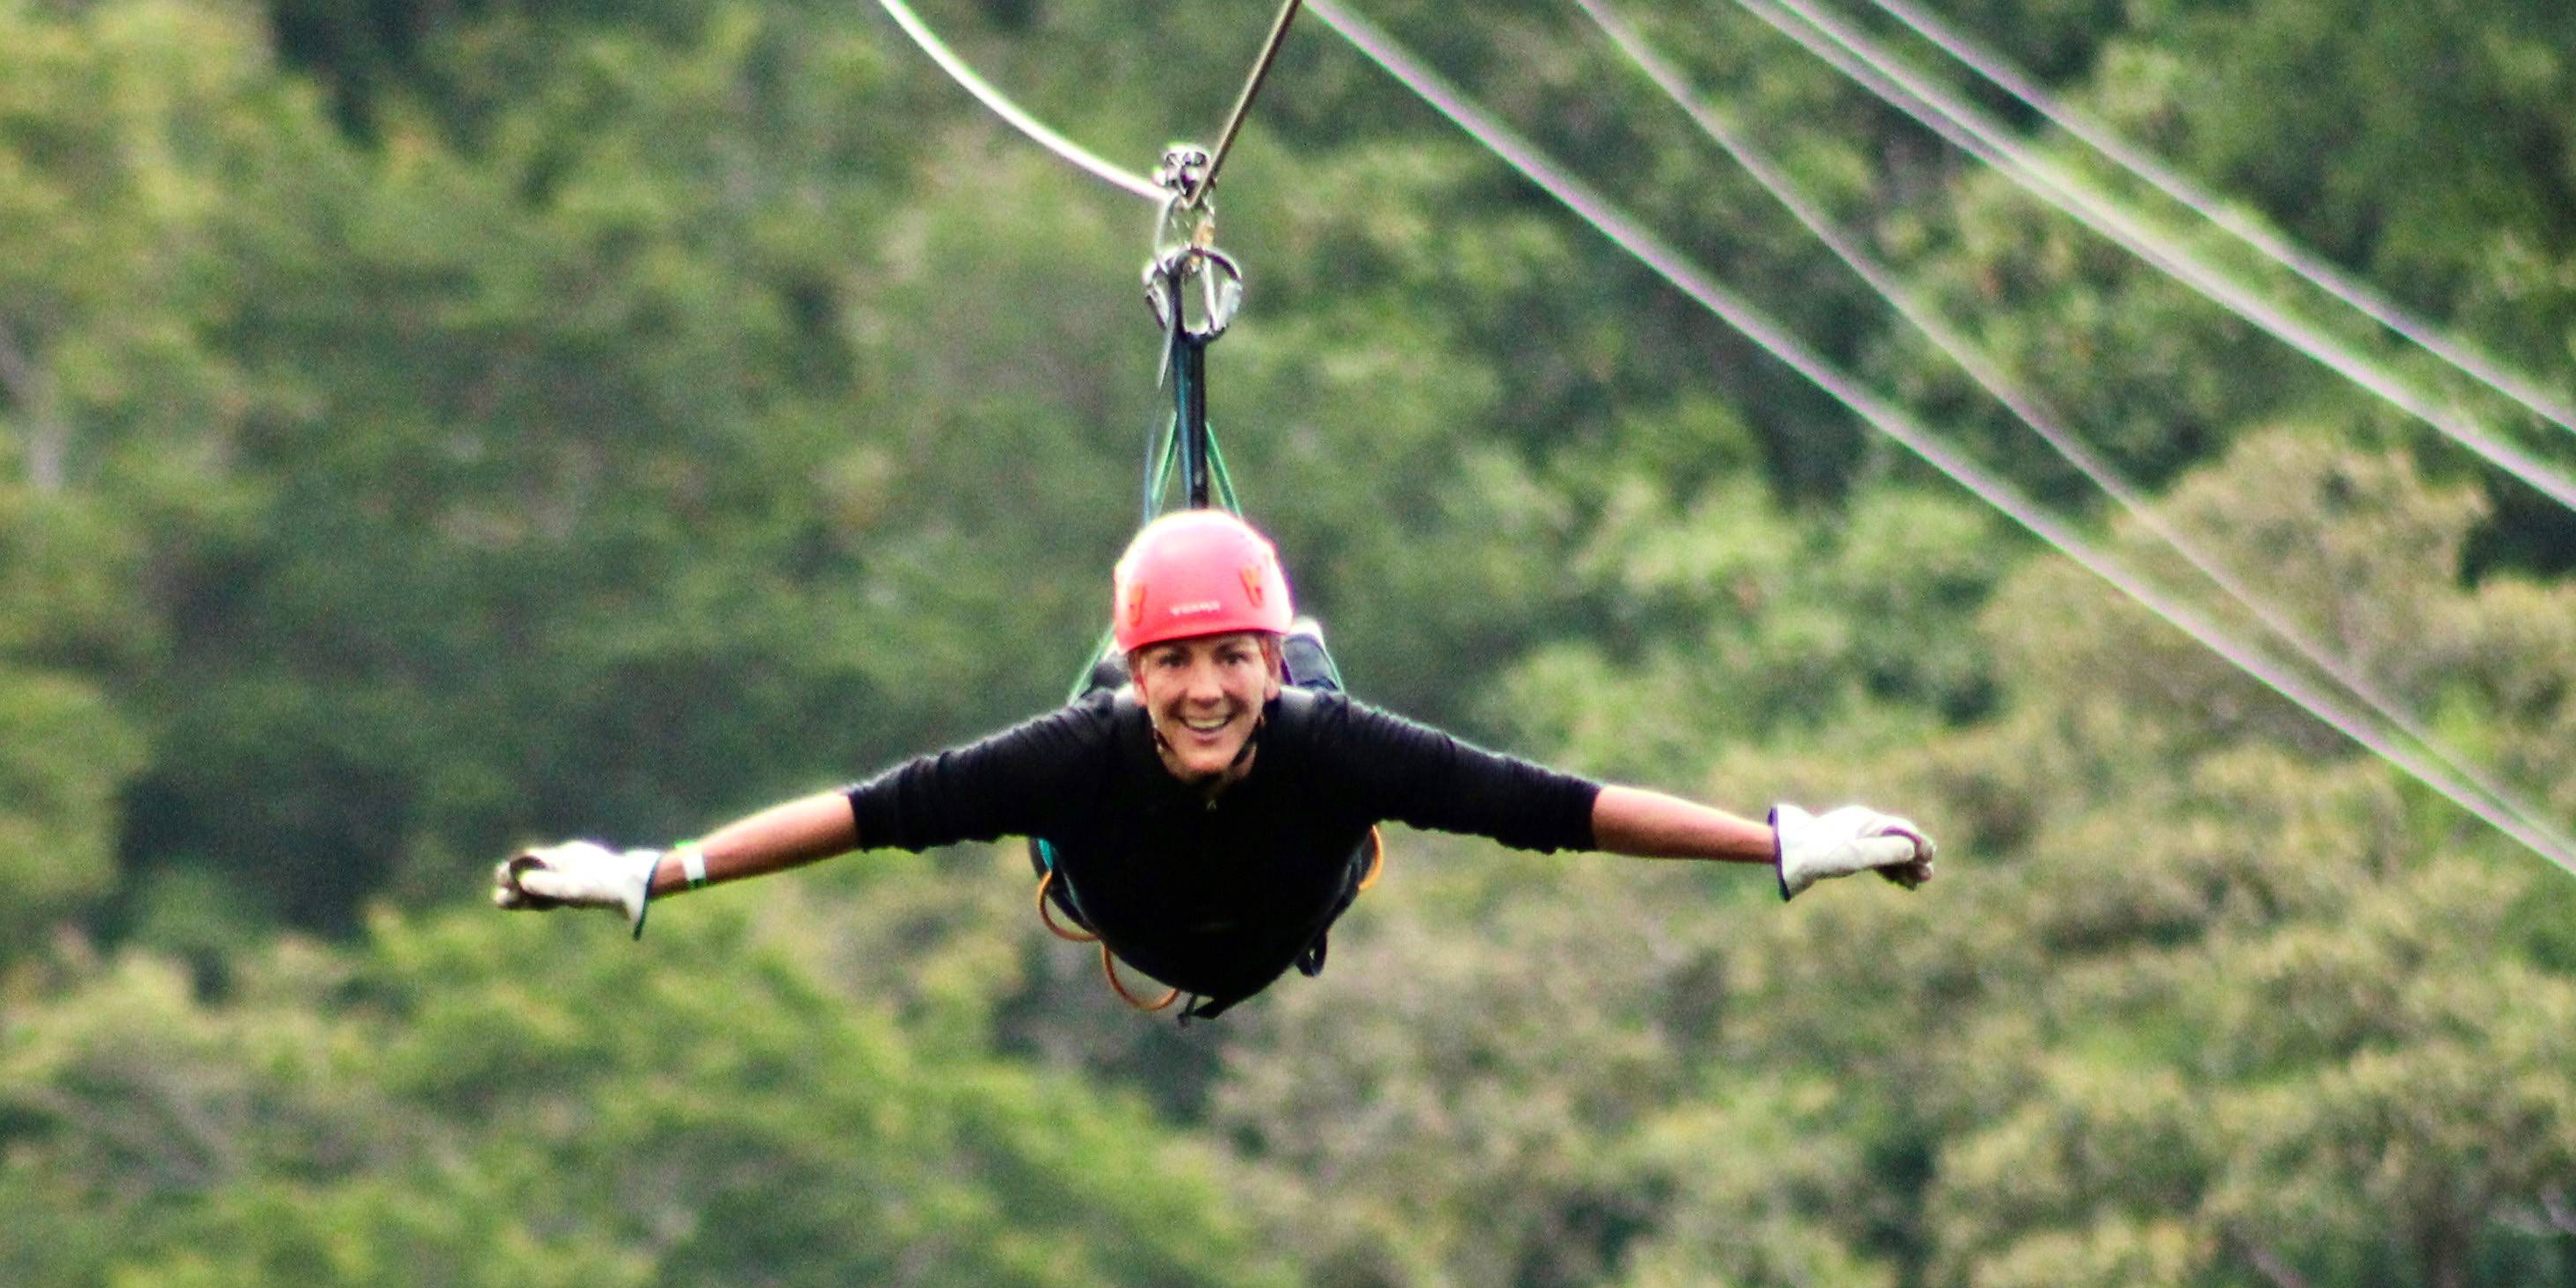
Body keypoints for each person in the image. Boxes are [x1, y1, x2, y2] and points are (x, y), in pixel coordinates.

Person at [494, 507, 1935, 1010]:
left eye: (1230, 659)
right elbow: (867, 815)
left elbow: (1552, 807)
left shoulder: (1324, 739)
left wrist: (1779, 842)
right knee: (1075, 754)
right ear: (1140, 672)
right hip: (1126, 900)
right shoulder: (1077, 753)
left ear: (1263, 659)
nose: (1203, 690)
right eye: (1174, 665)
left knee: (1330, 728)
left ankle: (1287, 636)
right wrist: (662, 874)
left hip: (1285, 898)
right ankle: (1167, 635)